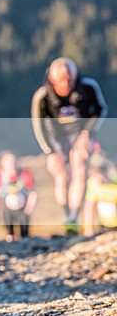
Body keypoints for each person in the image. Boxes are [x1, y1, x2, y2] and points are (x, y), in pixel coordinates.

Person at [31, 57, 107, 232]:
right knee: (61, 176)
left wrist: (87, 133)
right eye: (61, 81)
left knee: (80, 168)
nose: (65, 85)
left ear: (75, 76)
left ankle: (74, 216)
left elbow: (100, 109)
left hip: (80, 133)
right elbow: (38, 126)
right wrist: (50, 152)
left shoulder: (88, 87)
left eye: (69, 80)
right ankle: (67, 214)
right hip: (56, 138)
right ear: (51, 78)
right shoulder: (42, 96)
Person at [0, 151, 38, 241]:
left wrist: (29, 208)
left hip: (22, 208)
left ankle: (25, 242)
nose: (12, 165)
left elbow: (32, 192)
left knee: (24, 233)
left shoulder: (25, 174)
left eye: (13, 162)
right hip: (7, 209)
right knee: (9, 233)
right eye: (8, 163)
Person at [82, 152, 117, 237]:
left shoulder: (114, 184)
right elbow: (89, 207)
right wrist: (89, 228)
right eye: (95, 174)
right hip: (104, 226)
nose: (99, 178)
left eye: (101, 173)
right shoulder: (93, 183)